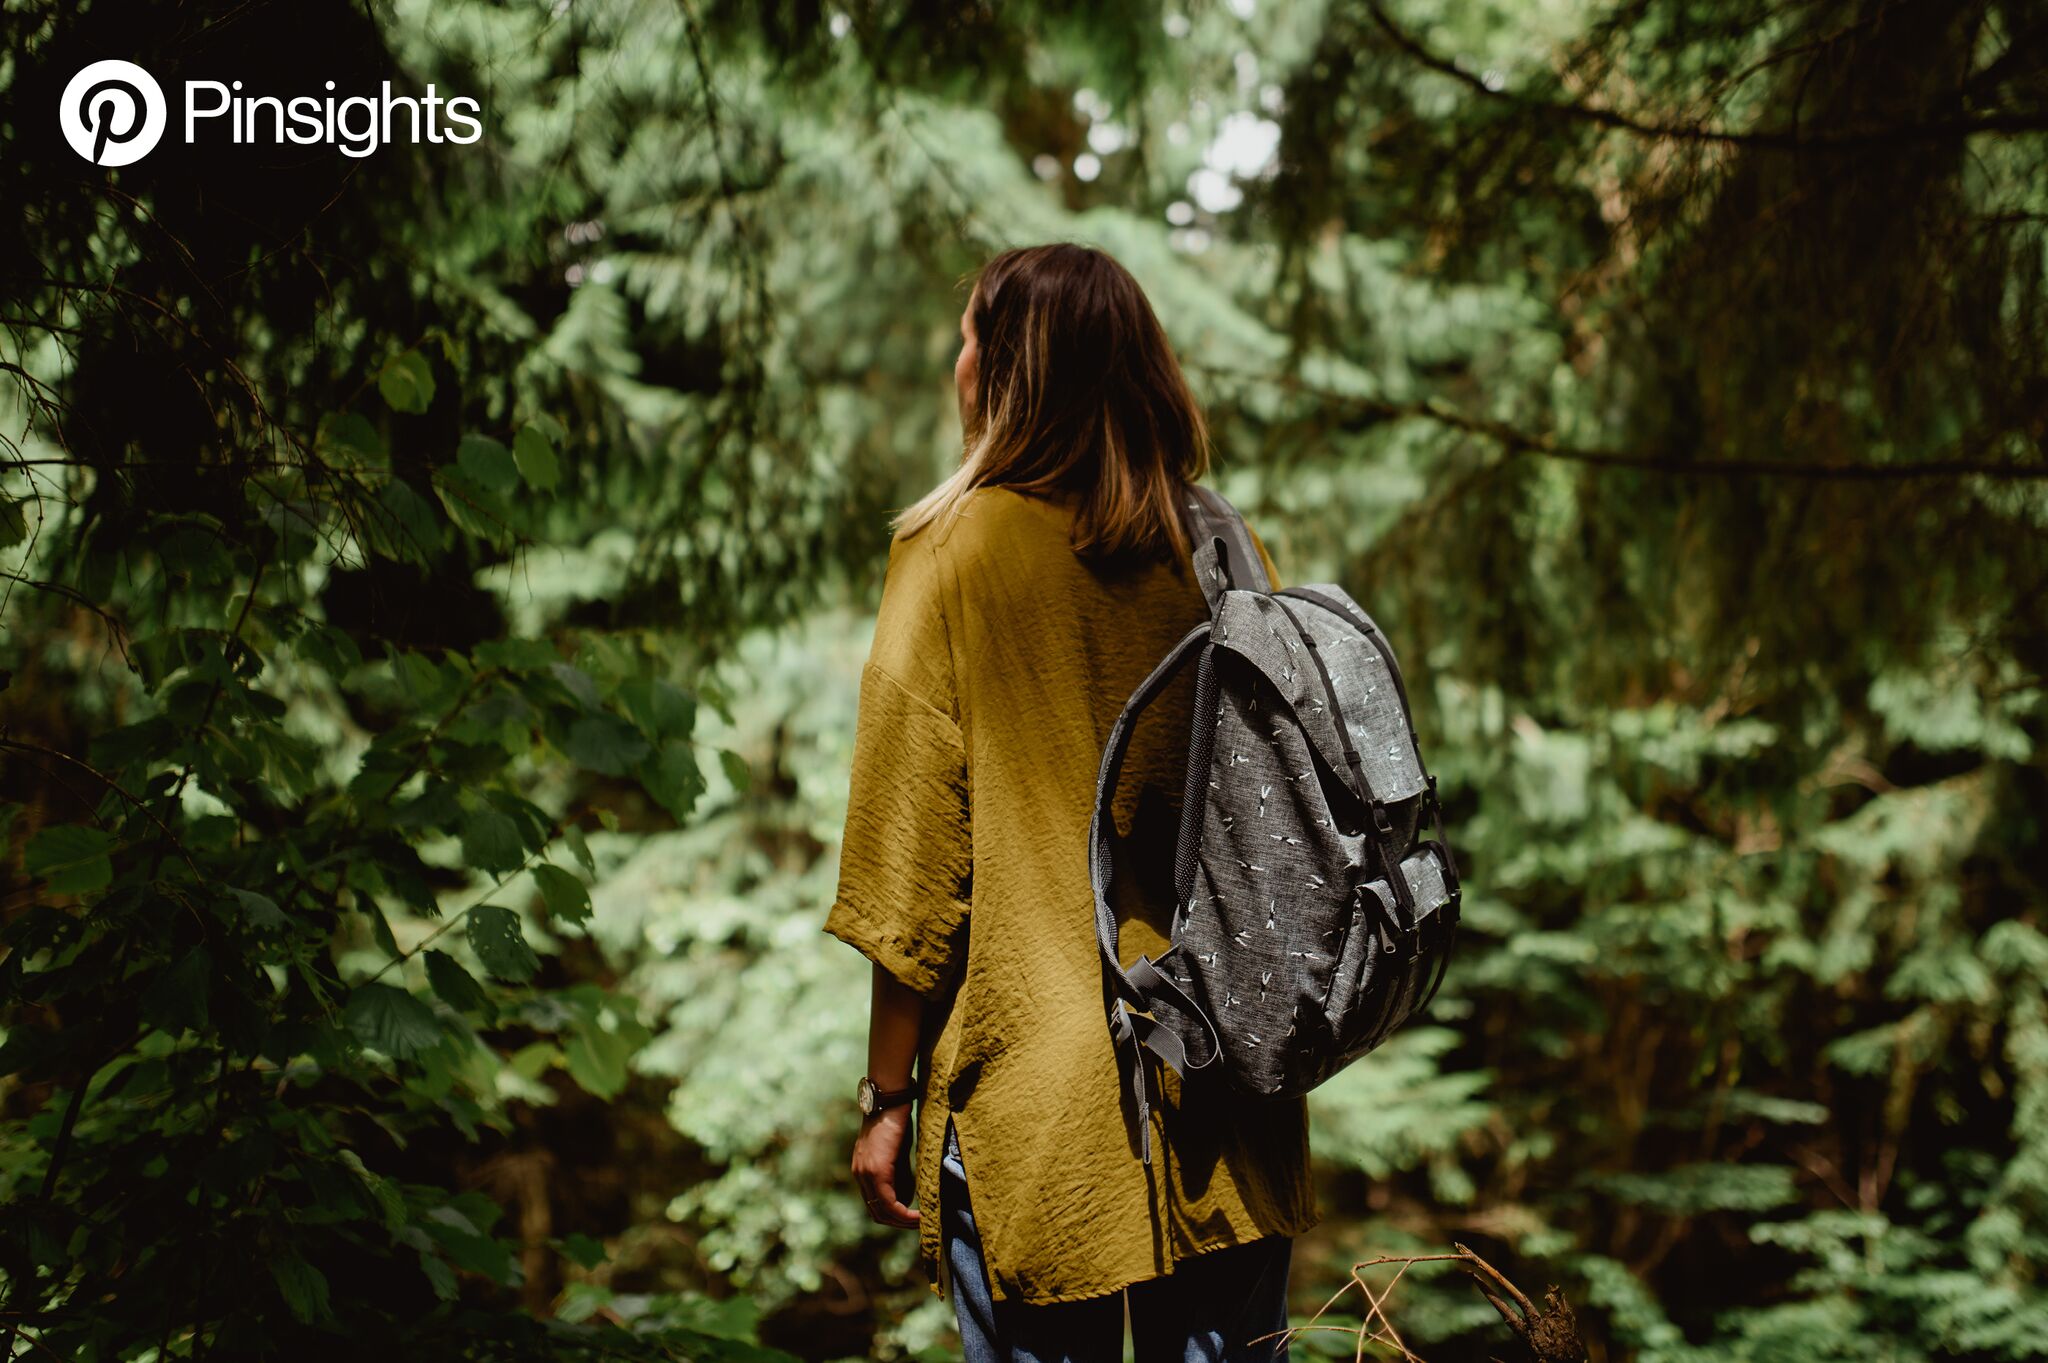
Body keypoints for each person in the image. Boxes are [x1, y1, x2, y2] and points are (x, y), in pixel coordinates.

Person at [824, 243, 1315, 1363]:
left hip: (1035, 1104)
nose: (953, 359)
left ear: (1003, 372)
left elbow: (911, 867)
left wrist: (883, 1096)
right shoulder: (1218, 546)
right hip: (1226, 1083)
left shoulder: (949, 550)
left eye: (968, 338)